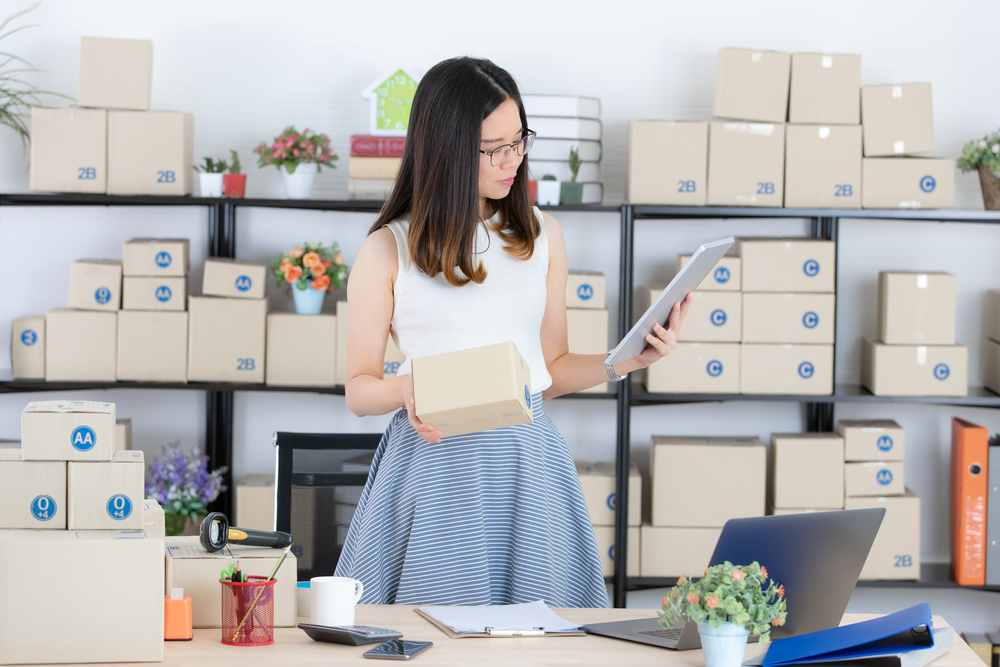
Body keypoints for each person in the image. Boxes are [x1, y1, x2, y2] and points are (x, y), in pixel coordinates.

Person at [334, 56, 691, 607]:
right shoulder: (389, 247)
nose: (513, 159)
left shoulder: (542, 233)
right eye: (494, 148)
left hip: (527, 461)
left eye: (519, 140)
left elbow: (548, 371)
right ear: (447, 148)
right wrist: (405, 388)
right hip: (436, 468)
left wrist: (629, 360)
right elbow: (359, 389)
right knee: (435, 633)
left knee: (540, 642)